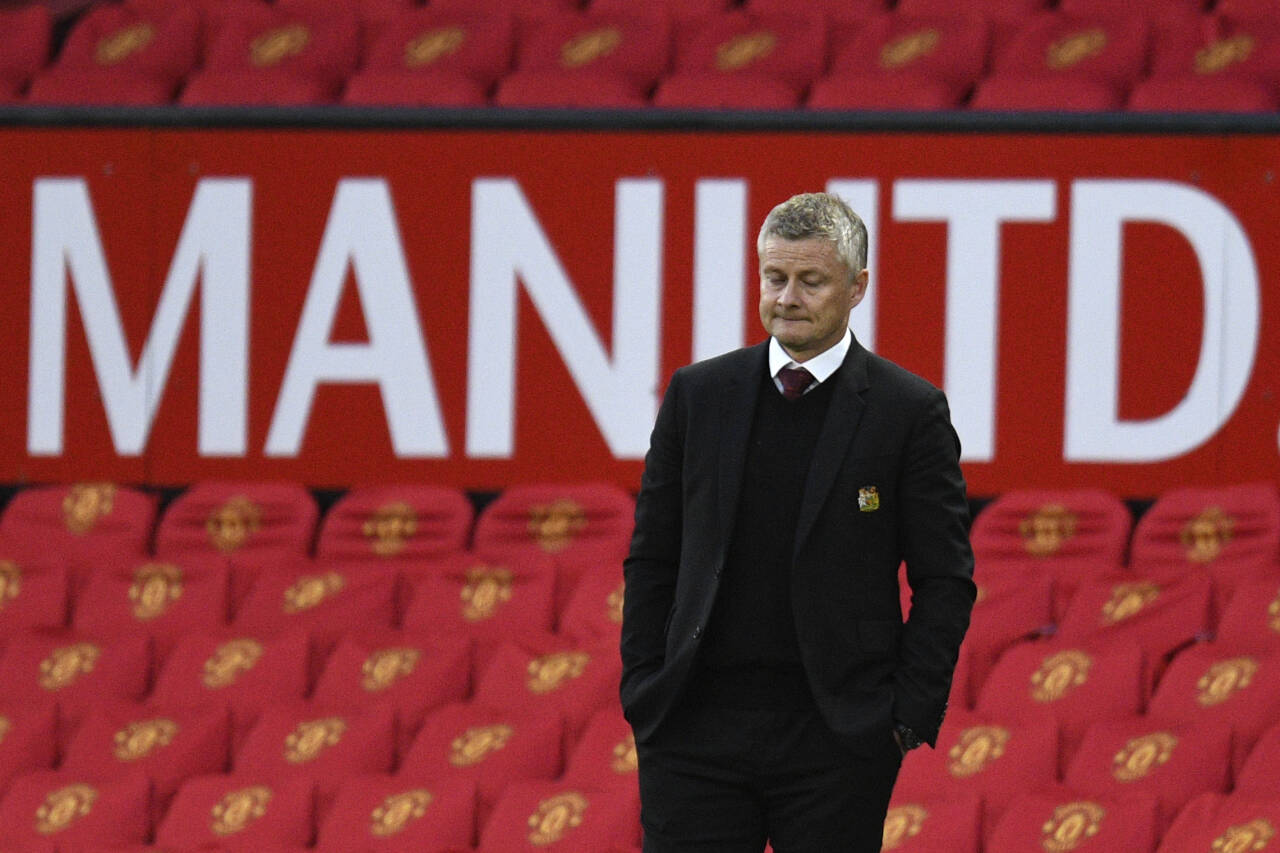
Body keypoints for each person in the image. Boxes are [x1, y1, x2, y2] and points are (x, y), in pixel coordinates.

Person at [620, 192, 976, 852]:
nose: (787, 297)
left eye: (810, 281)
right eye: (774, 277)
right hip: (694, 729)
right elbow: (653, 555)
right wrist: (643, 685)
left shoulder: (910, 411)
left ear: (857, 285)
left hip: (838, 739)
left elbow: (945, 578)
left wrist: (903, 717)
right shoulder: (699, 395)